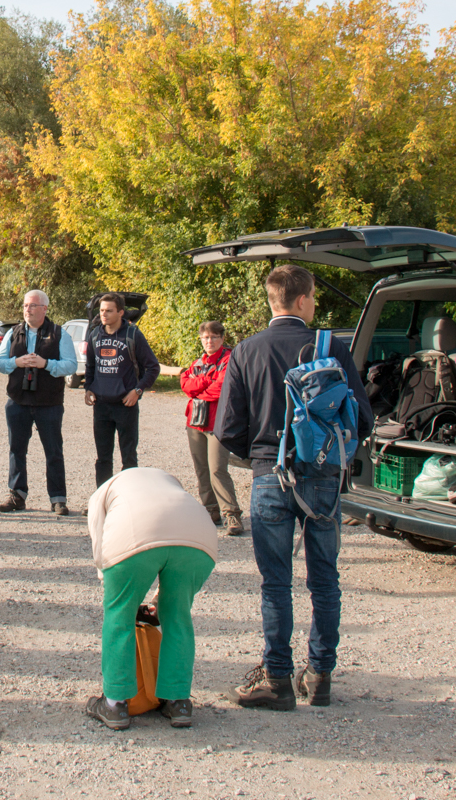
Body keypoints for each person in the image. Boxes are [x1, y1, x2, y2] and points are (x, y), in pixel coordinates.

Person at [215, 264, 373, 710]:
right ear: (302, 300)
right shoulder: (329, 346)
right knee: (325, 579)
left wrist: (264, 454)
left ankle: (278, 677)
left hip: (270, 473)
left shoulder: (246, 350)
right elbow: (363, 417)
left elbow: (227, 428)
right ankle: (320, 674)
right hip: (322, 474)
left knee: (275, 583)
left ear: (271, 300)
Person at [84, 467, 217, 731]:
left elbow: (101, 549)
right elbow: (170, 537)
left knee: (119, 615)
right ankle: (178, 702)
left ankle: (115, 703)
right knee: (178, 615)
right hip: (199, 538)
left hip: (134, 534)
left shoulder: (102, 493)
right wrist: (158, 599)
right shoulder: (170, 481)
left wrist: (117, 592)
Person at [0, 289, 78, 515]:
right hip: (18, 402)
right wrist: (17, 362)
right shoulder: (13, 333)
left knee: (53, 451)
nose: (27, 310)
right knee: (16, 450)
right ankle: (17, 495)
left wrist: (46, 364)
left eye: (32, 305)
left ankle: (58, 499)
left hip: (49, 404)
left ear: (45, 309)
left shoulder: (60, 334)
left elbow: (71, 366)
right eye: (24, 306)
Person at [84, 293, 161, 487]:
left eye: (109, 311)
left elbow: (153, 367)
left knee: (128, 458)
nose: (104, 314)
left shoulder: (133, 335)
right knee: (103, 458)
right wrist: (88, 388)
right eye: (101, 310)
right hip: (101, 406)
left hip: (125, 405)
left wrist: (138, 390)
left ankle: (129, 501)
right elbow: (90, 366)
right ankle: (103, 500)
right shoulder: (95, 335)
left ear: (121, 312)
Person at [180, 320, 243, 536]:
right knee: (201, 469)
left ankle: (231, 513)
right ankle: (210, 510)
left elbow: (221, 388)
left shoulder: (229, 360)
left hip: (218, 422)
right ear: (201, 339)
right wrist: (204, 382)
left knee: (217, 468)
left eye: (214, 337)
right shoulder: (198, 362)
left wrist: (199, 389)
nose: (210, 341)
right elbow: (185, 384)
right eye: (206, 337)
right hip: (195, 422)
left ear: (222, 338)